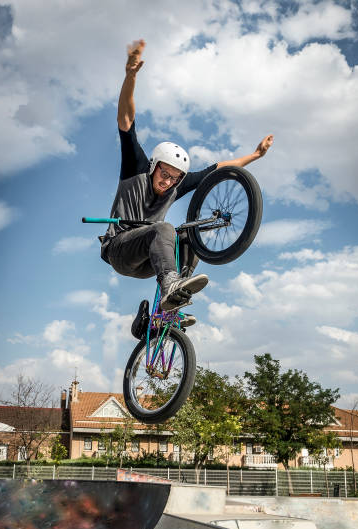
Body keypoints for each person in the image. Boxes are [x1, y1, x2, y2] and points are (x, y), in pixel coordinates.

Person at [101, 40, 273, 333]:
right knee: (164, 228)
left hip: (148, 260)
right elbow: (126, 119)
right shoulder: (136, 168)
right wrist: (130, 76)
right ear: (153, 166)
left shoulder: (176, 185)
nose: (167, 181)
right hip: (120, 249)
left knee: (188, 233)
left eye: (173, 178)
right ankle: (170, 285)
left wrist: (255, 156)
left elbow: (218, 169)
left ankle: (160, 315)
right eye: (163, 174)